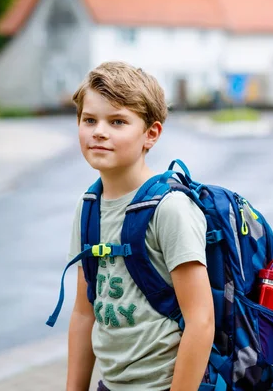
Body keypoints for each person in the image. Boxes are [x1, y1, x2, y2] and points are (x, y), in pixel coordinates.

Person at [66, 62, 215, 391]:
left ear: (151, 134)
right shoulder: (89, 207)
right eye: (89, 119)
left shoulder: (170, 209)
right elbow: (83, 313)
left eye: (117, 121)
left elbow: (201, 321)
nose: (99, 131)